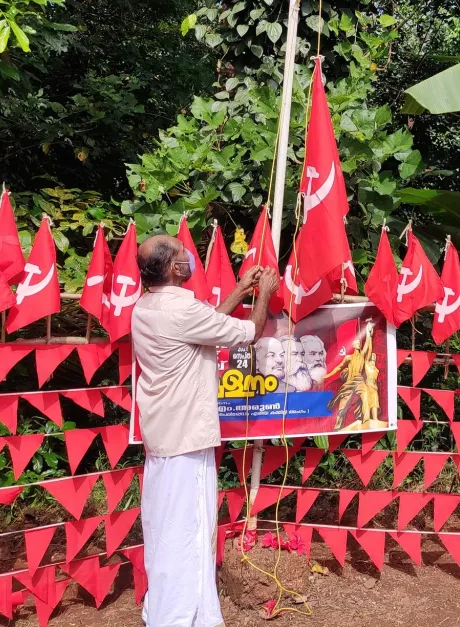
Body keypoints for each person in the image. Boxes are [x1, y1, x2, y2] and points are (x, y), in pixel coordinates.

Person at [131, 233, 280, 627]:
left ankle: (171, 610)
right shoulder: (181, 312)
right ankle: (180, 617)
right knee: (188, 534)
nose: (189, 259)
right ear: (175, 269)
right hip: (185, 440)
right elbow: (250, 332)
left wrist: (238, 289)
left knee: (164, 530)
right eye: (183, 255)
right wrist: (262, 292)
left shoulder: (146, 306)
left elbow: (205, 322)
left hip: (164, 437)